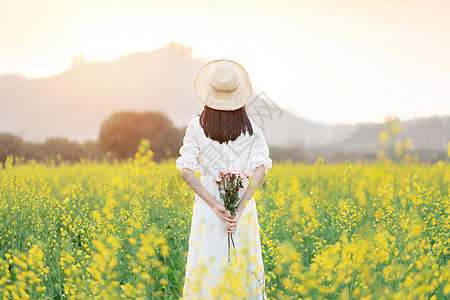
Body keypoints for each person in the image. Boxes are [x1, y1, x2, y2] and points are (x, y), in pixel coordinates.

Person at [176, 59, 272, 299]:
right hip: (243, 209)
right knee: (243, 268)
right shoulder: (253, 127)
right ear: (239, 96)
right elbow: (260, 170)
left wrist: (215, 204)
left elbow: (186, 171)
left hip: (208, 210)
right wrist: (238, 209)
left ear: (209, 94)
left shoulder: (196, 126)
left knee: (207, 269)